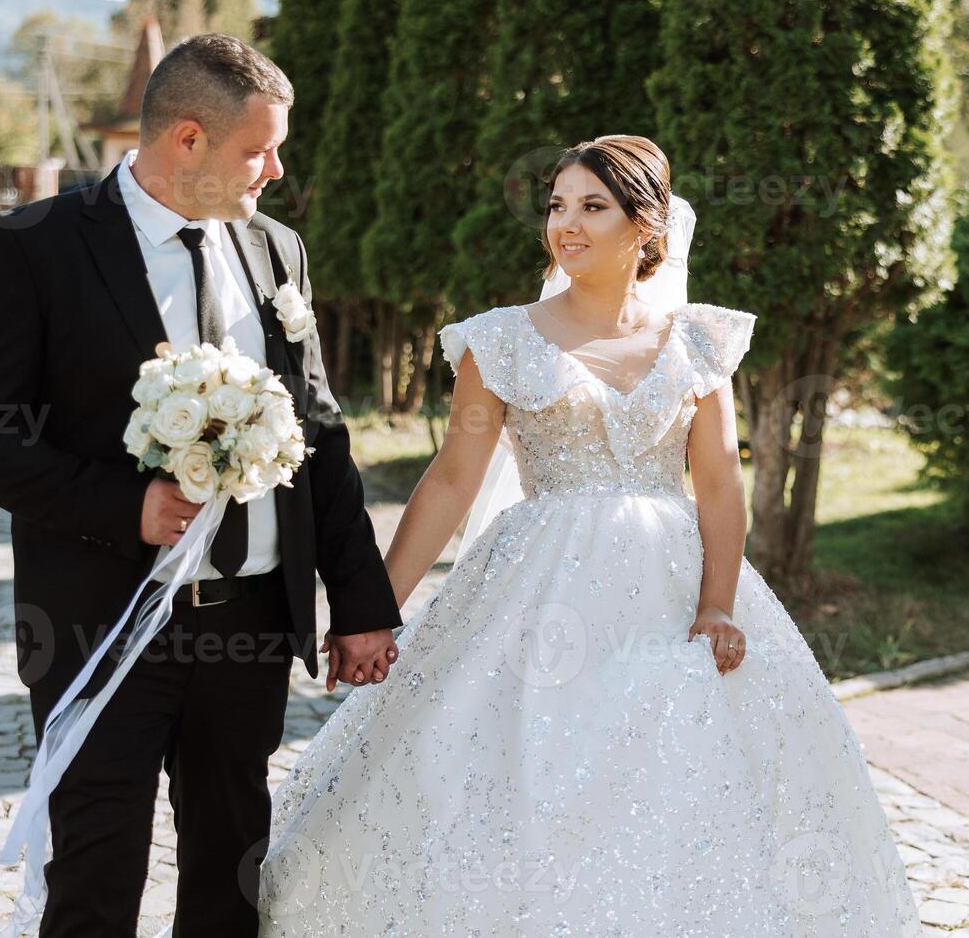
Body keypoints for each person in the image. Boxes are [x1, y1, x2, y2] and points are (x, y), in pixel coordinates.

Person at [258, 135, 923, 936]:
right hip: (533, 591)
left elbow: (717, 483)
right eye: (557, 206)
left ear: (646, 227)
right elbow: (451, 481)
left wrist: (717, 604)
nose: (566, 225)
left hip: (670, 592)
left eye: (592, 207)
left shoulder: (697, 340)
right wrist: (374, 610)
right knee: (514, 765)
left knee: (684, 771)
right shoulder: (500, 339)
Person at [0, 33, 401, 937]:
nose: (273, 170)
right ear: (187, 139)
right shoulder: (37, 245)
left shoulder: (276, 251)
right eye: (257, 150)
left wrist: (362, 602)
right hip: (101, 619)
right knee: (97, 877)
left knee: (233, 880)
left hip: (253, 620)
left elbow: (323, 435)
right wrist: (126, 508)